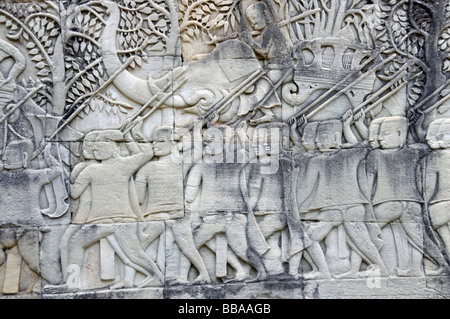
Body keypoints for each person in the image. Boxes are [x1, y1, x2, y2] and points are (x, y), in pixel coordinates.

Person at [300, 119, 389, 278]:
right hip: (336, 210)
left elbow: (305, 190)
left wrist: (347, 127)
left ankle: (379, 269)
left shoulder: (333, 158)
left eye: (323, 136)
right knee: (359, 241)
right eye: (316, 137)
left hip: (346, 209)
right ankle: (324, 272)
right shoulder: (340, 156)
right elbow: (362, 145)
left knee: (361, 242)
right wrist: (348, 128)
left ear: (336, 137)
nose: (317, 141)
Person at [185, 126, 268, 282]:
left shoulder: (203, 164)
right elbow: (251, 151)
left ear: (223, 142)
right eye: (205, 142)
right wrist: (242, 134)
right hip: (234, 216)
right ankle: (260, 272)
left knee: (190, 243)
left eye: (210, 141)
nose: (206, 144)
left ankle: (204, 275)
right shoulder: (234, 160)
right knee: (241, 250)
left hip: (216, 217)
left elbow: (189, 196)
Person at [366, 116, 447, 276]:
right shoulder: (414, 153)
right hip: (413, 203)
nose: (380, 137)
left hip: (388, 203)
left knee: (366, 230)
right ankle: (434, 265)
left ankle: (377, 268)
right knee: (420, 238)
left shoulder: (375, 156)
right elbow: (424, 141)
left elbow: (368, 184)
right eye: (380, 133)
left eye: (385, 133)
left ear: (399, 134)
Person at [135, 126, 211, 284]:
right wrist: (196, 129)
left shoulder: (148, 168)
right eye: (153, 142)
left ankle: (153, 276)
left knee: (137, 247)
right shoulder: (174, 165)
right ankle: (202, 273)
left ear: (173, 144)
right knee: (186, 247)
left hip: (165, 215)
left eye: (160, 141)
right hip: (169, 215)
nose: (155, 145)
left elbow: (139, 198)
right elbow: (197, 150)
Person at [239, 1, 292, 125]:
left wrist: (250, 42)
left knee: (258, 85)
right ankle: (267, 112)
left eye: (254, 18)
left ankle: (269, 114)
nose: (252, 24)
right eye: (250, 21)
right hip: (274, 68)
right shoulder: (269, 30)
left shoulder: (270, 30)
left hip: (281, 69)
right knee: (255, 82)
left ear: (264, 15)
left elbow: (264, 52)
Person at [0, 140, 61, 232]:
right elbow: (56, 169)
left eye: (11, 154)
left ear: (24, 156)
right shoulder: (2, 176)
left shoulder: (32, 176)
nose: (4, 158)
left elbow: (57, 171)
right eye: (5, 154)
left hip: (31, 223)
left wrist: (47, 155)